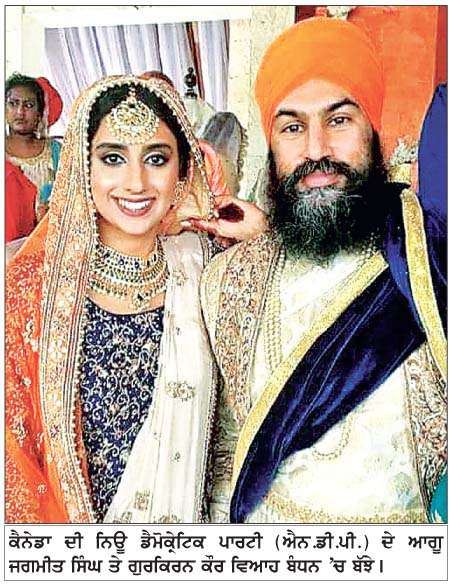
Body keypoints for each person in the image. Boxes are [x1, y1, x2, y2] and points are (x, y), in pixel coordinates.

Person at [201, 17, 446, 523]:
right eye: (292, 127)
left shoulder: (430, 263)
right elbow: (225, 461)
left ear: (373, 131)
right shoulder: (228, 283)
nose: (316, 150)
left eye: (339, 120)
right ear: (271, 145)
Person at [5, 73, 267, 524]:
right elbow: (14, 463)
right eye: (112, 158)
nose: (136, 182)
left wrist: (262, 237)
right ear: (82, 167)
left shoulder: (207, 269)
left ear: (182, 171)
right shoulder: (30, 288)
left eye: (156, 158)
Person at [6, 74, 63, 246]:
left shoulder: (57, 152)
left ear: (39, 113)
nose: (20, 112)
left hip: (50, 243)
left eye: (29, 105)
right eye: (13, 103)